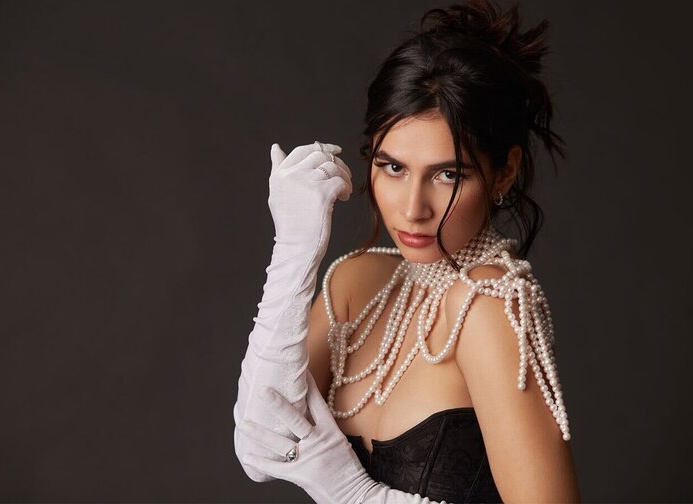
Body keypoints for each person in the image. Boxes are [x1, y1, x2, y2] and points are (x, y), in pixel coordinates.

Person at [233, 1, 581, 502]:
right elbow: (257, 445)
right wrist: (294, 248)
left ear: (503, 173)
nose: (413, 209)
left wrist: (354, 492)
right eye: (393, 167)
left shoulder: (490, 306)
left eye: (448, 174)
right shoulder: (356, 283)